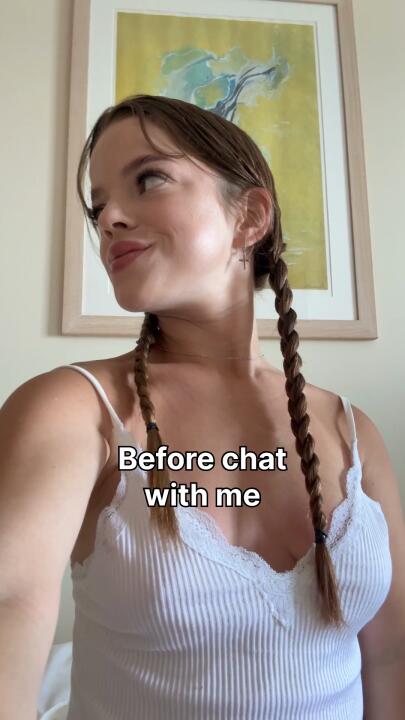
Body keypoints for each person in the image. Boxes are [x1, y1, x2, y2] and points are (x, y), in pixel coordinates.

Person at [0, 95, 403, 720]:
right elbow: (10, 603)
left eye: (148, 179)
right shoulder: (75, 409)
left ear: (249, 217)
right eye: (98, 207)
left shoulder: (352, 431)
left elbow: (389, 657)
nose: (109, 220)